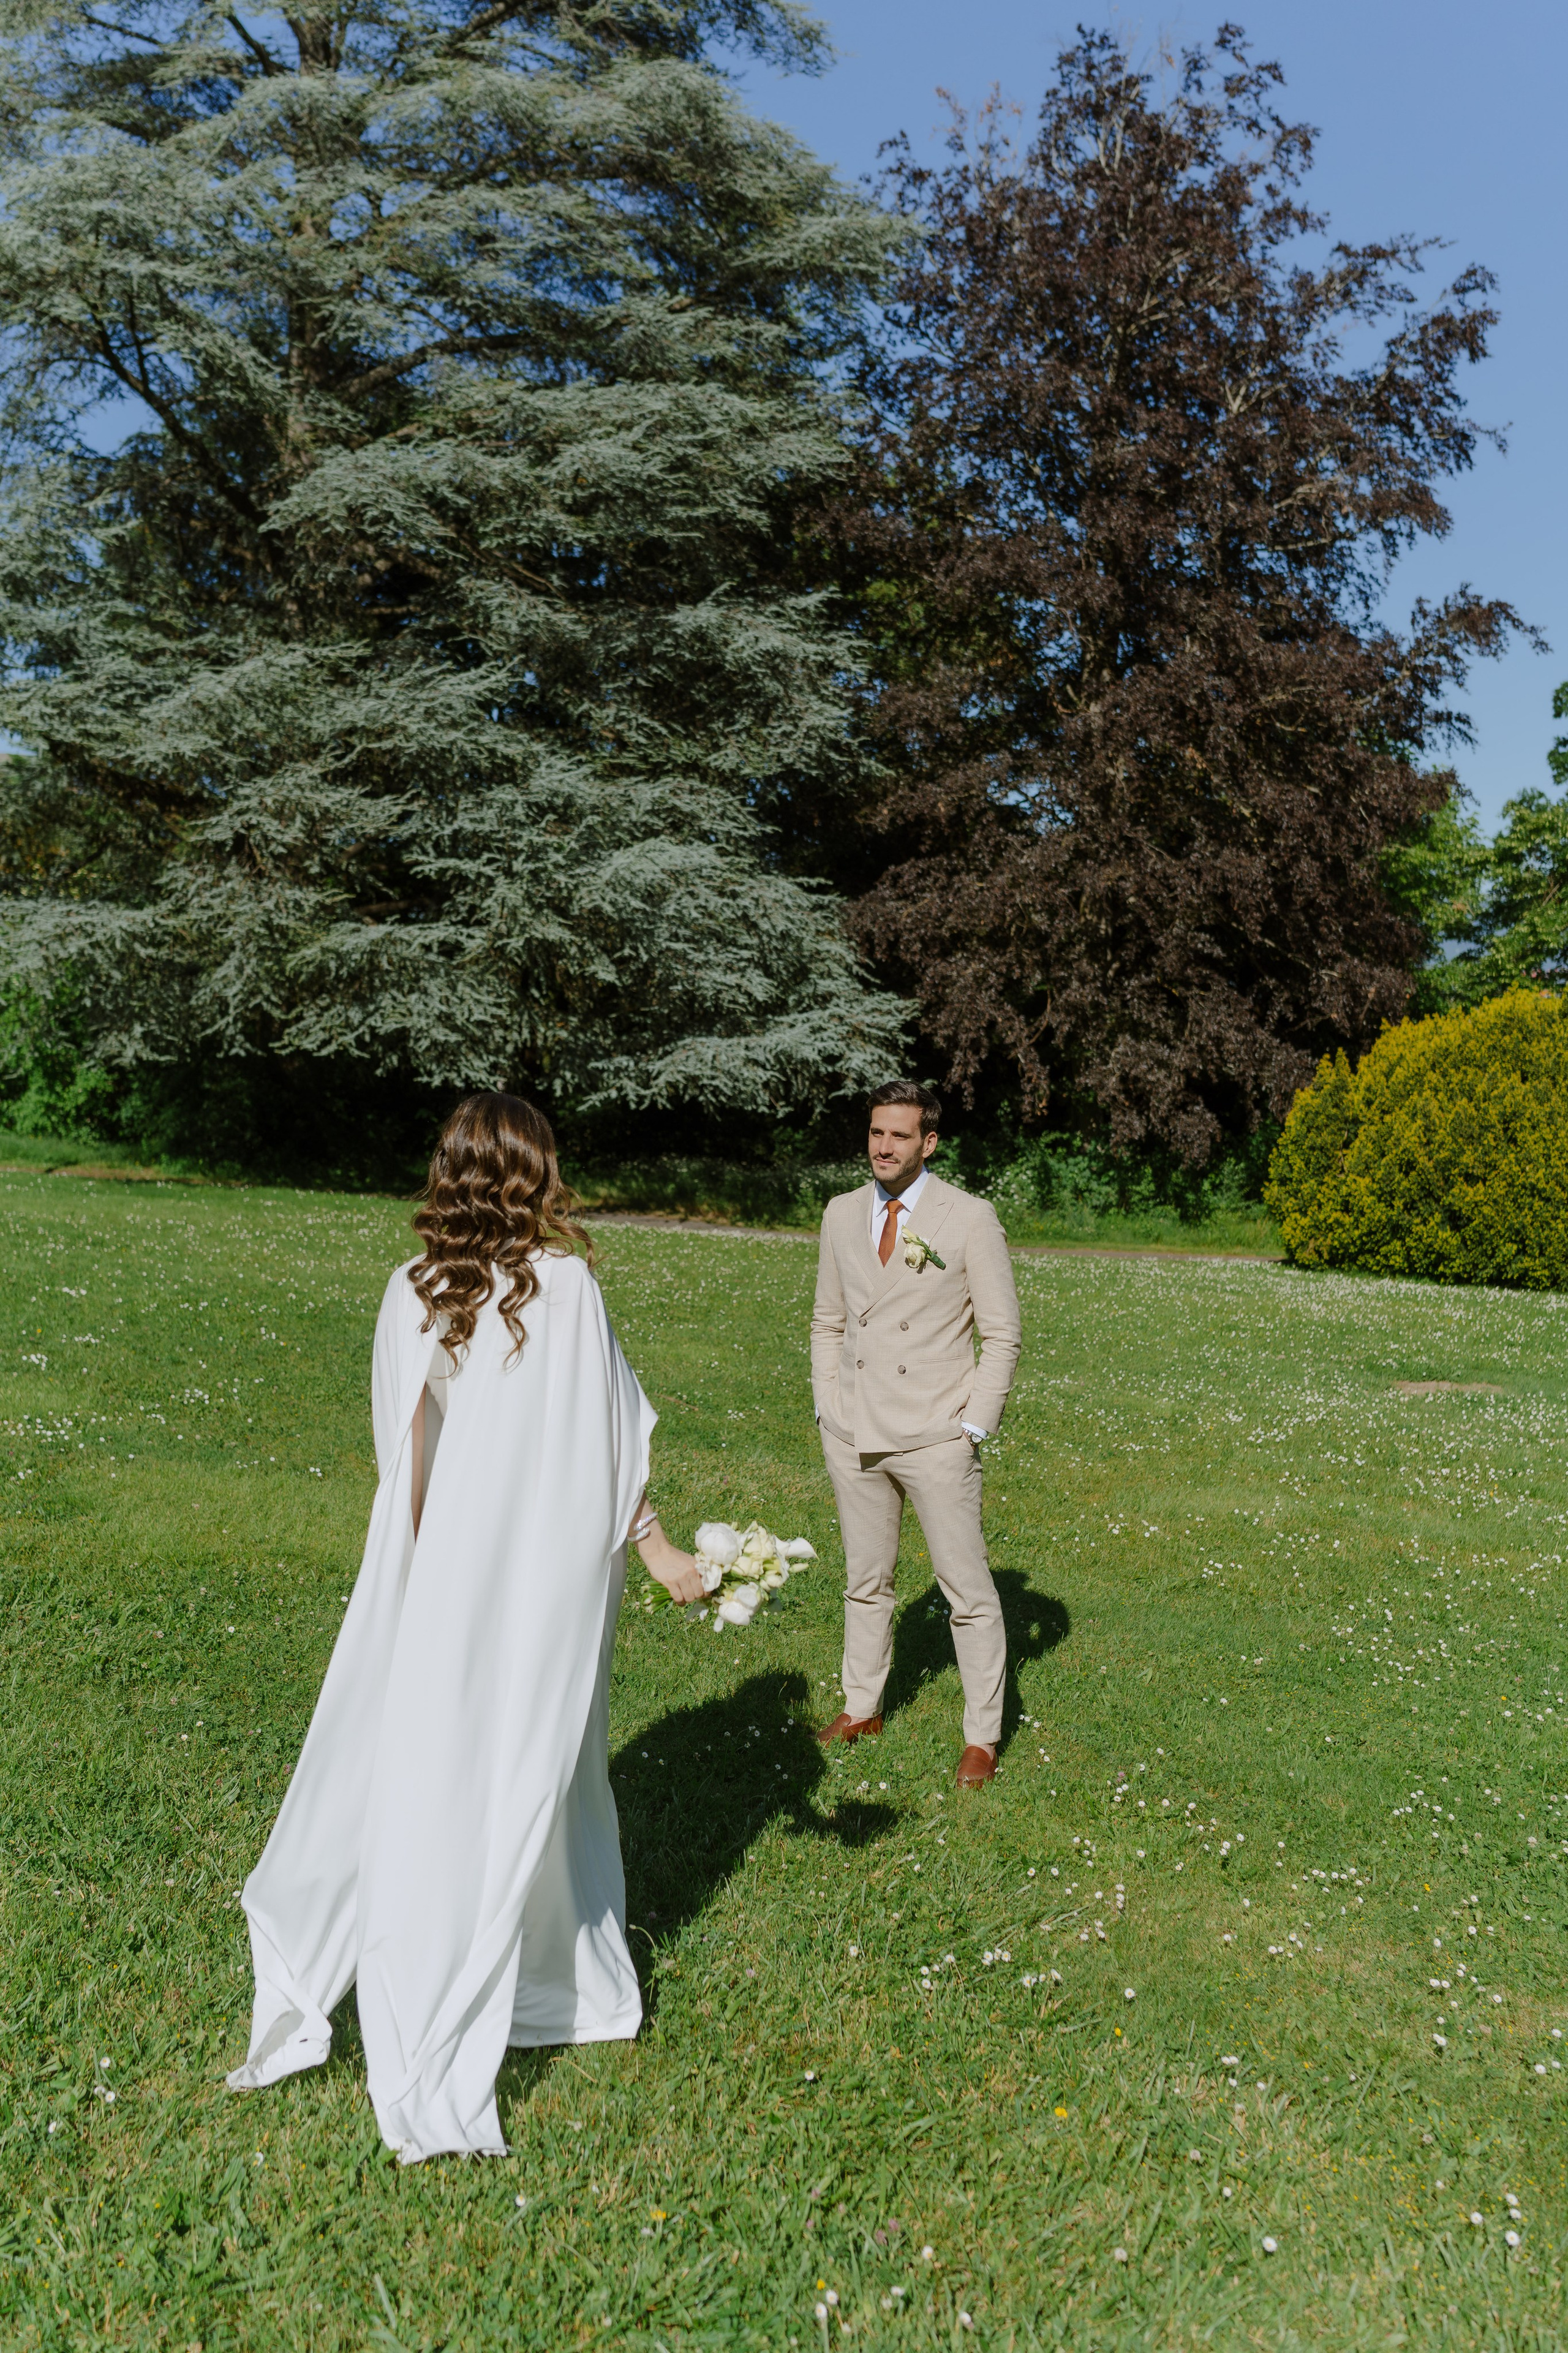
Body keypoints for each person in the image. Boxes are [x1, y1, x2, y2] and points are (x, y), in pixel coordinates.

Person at [226, 1092, 703, 2163]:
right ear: (535, 1173)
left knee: (442, 1768)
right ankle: (547, 1980)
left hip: (433, 1574)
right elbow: (605, 1445)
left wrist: (423, 1582)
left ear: (449, 1174)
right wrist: (662, 1553)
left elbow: (408, 1456)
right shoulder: (567, 1290)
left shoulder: (411, 1290)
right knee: (534, 1766)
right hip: (534, 1586)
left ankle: (484, 1962)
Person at [810, 1081, 1022, 1786]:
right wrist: (828, 1407)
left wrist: (972, 1425)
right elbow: (827, 1319)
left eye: (899, 1136)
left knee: (965, 1590)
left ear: (927, 1143)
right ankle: (862, 1705)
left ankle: (981, 1736)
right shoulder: (841, 1213)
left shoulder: (968, 1217)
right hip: (855, 1428)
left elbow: (1001, 1334)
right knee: (865, 1581)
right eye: (875, 1133)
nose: (882, 1146)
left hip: (935, 1434)